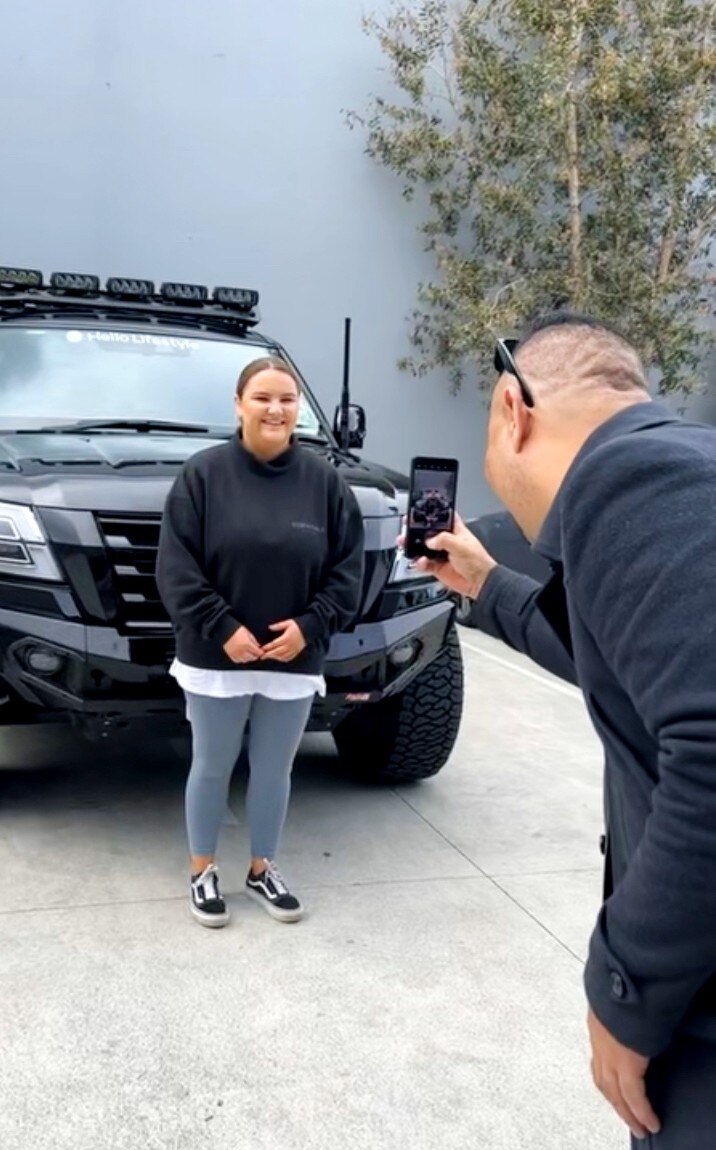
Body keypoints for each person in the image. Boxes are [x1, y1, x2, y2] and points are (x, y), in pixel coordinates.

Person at [415, 314, 716, 1148]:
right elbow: (621, 664)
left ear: (513, 411)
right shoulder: (686, 467)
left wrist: (626, 989)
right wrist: (486, 583)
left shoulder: (628, 479)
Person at [156, 356, 364, 929]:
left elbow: (348, 572)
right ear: (238, 405)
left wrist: (310, 627)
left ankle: (261, 868)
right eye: (263, 398)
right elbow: (176, 569)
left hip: (294, 658)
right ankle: (202, 870)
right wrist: (223, 628)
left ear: (300, 409)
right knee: (212, 765)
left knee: (275, 770)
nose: (276, 409)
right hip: (215, 656)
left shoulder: (326, 483)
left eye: (287, 399)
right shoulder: (202, 477)